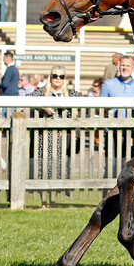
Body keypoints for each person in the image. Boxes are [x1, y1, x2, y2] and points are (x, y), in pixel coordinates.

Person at [30, 66, 83, 207]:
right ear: (50, 77)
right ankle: (43, 202)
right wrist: (44, 106)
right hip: (44, 138)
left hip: (63, 138)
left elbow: (84, 100)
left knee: (59, 167)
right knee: (43, 167)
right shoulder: (42, 92)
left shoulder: (70, 94)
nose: (58, 79)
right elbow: (29, 98)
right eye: (55, 76)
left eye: (61, 76)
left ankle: (53, 200)